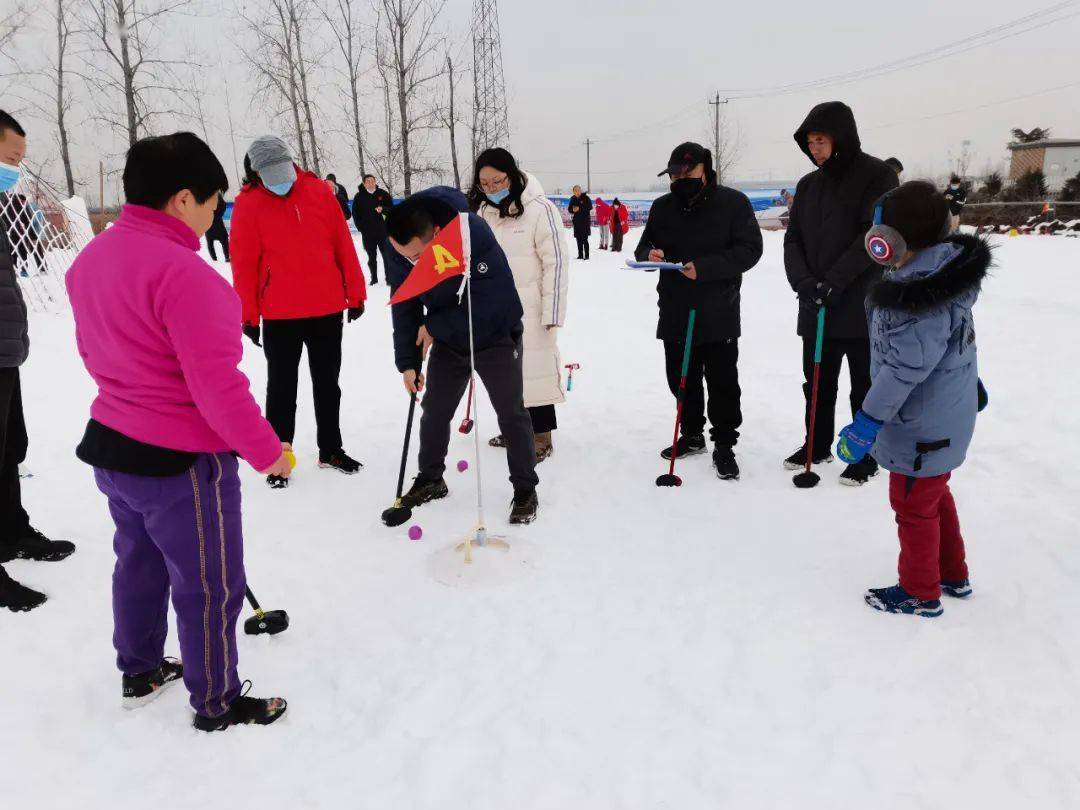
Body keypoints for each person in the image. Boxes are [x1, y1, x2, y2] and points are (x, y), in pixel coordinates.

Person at [66, 131, 288, 728]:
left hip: (115, 449)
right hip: (183, 465)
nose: (218, 212)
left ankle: (138, 668)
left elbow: (95, 350)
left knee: (137, 563)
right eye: (216, 200)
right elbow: (217, 389)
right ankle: (215, 700)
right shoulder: (191, 279)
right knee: (210, 583)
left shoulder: (90, 261)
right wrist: (269, 453)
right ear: (183, 198)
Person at [835, 180, 989, 617]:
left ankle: (920, 592)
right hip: (946, 415)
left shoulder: (915, 297)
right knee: (934, 496)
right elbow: (954, 346)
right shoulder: (943, 276)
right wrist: (970, 386)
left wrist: (866, 422)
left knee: (912, 505)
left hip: (919, 428)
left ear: (894, 239)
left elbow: (904, 370)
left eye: (879, 231)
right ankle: (952, 574)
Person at [384, 187, 540, 524]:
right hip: (450, 343)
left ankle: (525, 488)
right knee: (434, 411)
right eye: (402, 256)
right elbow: (405, 302)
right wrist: (408, 363)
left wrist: (434, 326)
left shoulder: (473, 235)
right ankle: (431, 478)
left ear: (437, 236)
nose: (408, 262)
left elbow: (490, 307)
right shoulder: (399, 246)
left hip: (497, 335)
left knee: (511, 413)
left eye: (414, 256)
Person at [229, 135, 366, 488]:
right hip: (279, 313)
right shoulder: (248, 205)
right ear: (256, 174)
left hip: (326, 307)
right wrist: (249, 315)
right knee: (281, 386)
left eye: (283, 171)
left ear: (292, 163)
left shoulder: (319, 192)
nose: (280, 180)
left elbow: (342, 243)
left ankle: (331, 449)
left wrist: (356, 292)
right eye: (271, 175)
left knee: (327, 382)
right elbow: (244, 264)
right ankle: (278, 455)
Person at [783, 101, 899, 486]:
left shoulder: (877, 175)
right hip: (814, 302)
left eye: (821, 140)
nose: (814, 149)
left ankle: (864, 454)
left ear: (841, 138)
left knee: (863, 384)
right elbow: (793, 238)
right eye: (810, 142)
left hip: (860, 302)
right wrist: (804, 283)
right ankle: (815, 443)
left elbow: (874, 236)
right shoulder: (807, 185)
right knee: (816, 380)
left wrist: (833, 281)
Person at [634, 141, 763, 480]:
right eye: (674, 174)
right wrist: (650, 254)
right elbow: (643, 244)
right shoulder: (663, 207)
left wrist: (705, 268)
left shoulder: (733, 203)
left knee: (722, 382)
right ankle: (691, 434)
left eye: (687, 171)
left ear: (705, 168)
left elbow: (750, 250)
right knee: (681, 378)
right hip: (675, 307)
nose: (680, 179)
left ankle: (723, 444)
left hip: (717, 308)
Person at [0, 110, 75, 614]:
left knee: (9, 448)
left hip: (5, 349)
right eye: (10, 158)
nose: (16, 170)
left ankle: (11, 532)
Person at [469, 148, 568, 463]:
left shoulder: (540, 210)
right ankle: (514, 430)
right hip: (494, 312)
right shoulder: (483, 213)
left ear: (511, 175)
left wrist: (553, 311)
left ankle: (540, 436)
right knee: (504, 376)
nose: (492, 189)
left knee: (534, 373)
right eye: (485, 183)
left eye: (497, 181)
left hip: (531, 309)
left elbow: (557, 263)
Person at [352, 174, 393, 286]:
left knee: (386, 256)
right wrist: (361, 228)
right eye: (368, 181)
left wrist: (383, 209)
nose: (370, 183)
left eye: (372, 181)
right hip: (368, 233)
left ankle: (389, 278)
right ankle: (374, 278)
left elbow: (392, 209)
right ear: (364, 183)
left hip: (382, 231)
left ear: (375, 182)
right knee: (371, 256)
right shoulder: (359, 197)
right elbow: (355, 214)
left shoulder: (383, 194)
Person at [568, 185, 592, 260]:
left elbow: (590, 207)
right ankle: (580, 255)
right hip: (577, 222)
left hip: (585, 221)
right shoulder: (573, 199)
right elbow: (569, 209)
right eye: (576, 190)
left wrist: (580, 208)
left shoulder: (585, 197)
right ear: (573, 192)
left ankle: (587, 255)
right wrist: (573, 210)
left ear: (580, 190)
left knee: (585, 239)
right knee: (578, 239)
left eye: (579, 190)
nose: (577, 192)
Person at [205, 192, 229, 262]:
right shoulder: (216, 195)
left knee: (210, 243)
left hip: (209, 227)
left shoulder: (204, 198)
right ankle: (227, 257)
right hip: (219, 227)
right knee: (224, 241)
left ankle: (214, 259)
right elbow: (223, 205)